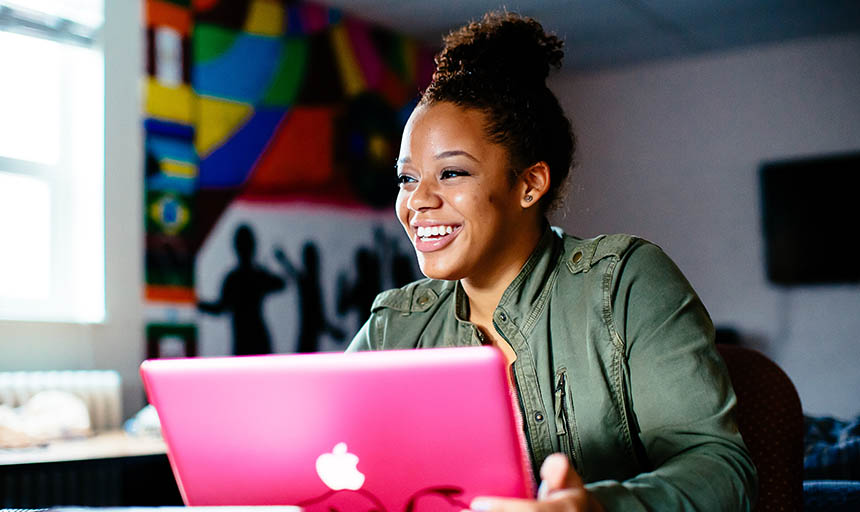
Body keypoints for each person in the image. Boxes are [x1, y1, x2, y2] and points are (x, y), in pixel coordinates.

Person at [346, 11, 757, 512]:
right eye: (407, 178)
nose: (418, 201)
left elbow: (721, 471)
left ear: (529, 184)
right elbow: (324, 458)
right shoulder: (394, 327)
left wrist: (595, 508)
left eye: (451, 173)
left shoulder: (626, 284)